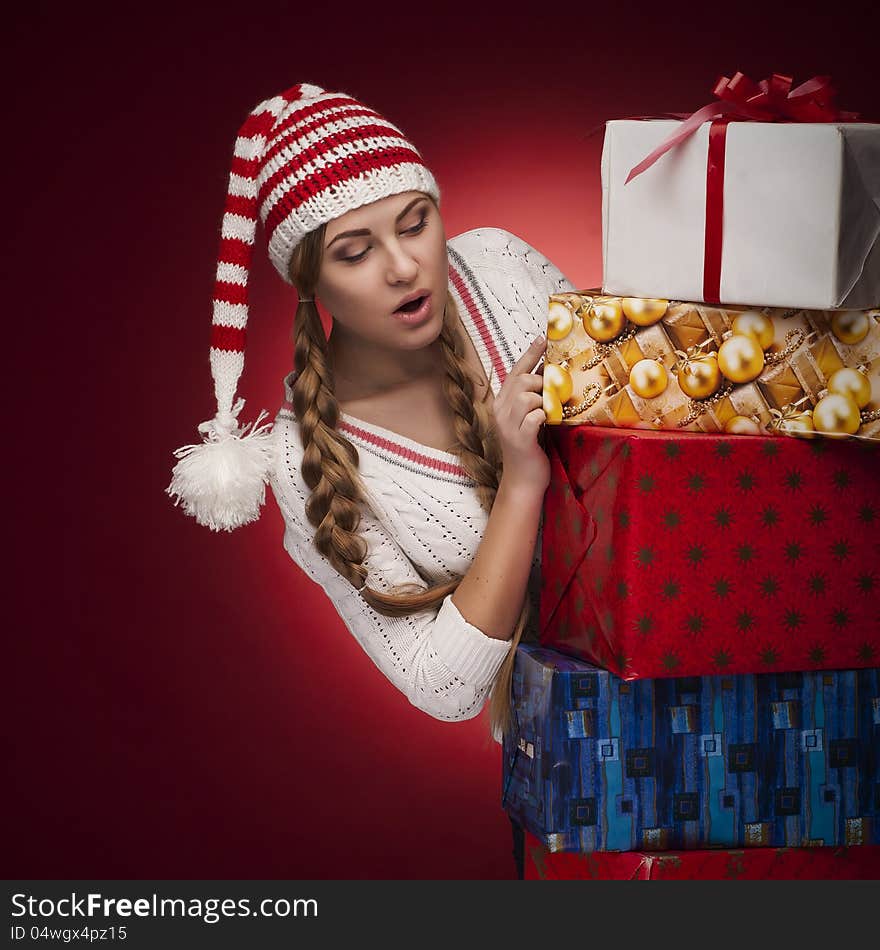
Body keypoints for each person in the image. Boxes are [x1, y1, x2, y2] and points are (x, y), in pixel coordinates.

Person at [166, 82, 576, 879]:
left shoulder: (499, 267)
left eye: (415, 222)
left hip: (711, 650)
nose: (402, 266)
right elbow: (446, 686)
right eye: (355, 252)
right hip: (581, 773)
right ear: (312, 280)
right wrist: (522, 486)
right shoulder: (306, 459)